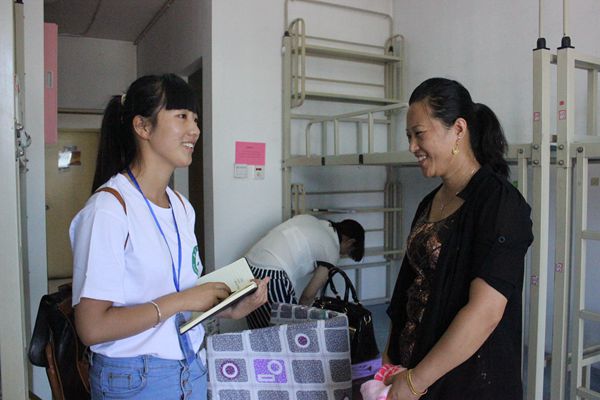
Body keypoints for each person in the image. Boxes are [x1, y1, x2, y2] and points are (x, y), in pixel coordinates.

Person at [70, 74, 269, 400]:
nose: (195, 130)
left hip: (190, 367)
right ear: (142, 127)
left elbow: (177, 298)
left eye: (196, 119)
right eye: (182, 116)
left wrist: (226, 308)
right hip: (134, 379)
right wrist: (184, 300)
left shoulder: (181, 206)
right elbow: (92, 328)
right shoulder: (109, 210)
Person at [383, 78, 533, 400]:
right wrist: (391, 357)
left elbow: (485, 312)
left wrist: (416, 381)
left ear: (459, 130)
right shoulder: (430, 202)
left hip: (468, 384)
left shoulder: (499, 203)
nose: (412, 147)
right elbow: (408, 286)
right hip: (416, 373)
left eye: (419, 134)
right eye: (409, 137)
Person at [244, 214, 365, 329]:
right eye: (348, 251)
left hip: (247, 267)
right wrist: (300, 322)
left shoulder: (311, 220)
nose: (343, 254)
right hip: (272, 276)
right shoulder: (332, 249)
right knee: (286, 334)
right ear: (350, 241)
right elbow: (308, 296)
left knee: (258, 334)